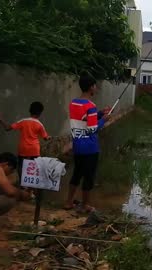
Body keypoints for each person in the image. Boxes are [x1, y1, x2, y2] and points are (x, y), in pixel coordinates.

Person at [65, 74, 111, 212]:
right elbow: (92, 130)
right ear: (91, 87)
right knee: (88, 177)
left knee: (76, 174)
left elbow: (83, 119)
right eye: (95, 86)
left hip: (78, 146)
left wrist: (99, 114)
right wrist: (104, 119)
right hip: (90, 148)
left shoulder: (74, 103)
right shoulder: (91, 105)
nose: (96, 89)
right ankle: (85, 205)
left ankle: (68, 202)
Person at [0, 101, 51, 176]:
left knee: (21, 166)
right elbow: (45, 138)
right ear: (40, 113)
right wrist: (48, 138)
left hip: (23, 148)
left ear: (30, 110)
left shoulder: (23, 121)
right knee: (34, 167)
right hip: (34, 149)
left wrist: (1, 120)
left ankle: (22, 184)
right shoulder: (40, 124)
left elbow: (7, 128)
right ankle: (32, 184)